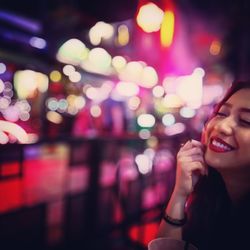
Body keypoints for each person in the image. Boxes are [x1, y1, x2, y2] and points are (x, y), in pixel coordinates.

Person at [149, 80, 250, 250]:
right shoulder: (212, 200)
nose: (222, 126)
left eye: (246, 121)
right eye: (222, 113)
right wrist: (180, 193)